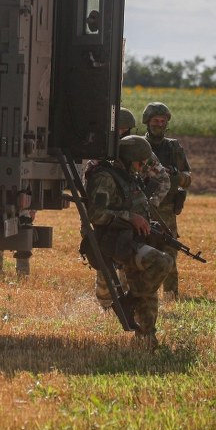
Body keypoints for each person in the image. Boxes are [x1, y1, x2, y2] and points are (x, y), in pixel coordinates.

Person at [85, 135, 173, 349]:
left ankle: (146, 338)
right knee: (162, 262)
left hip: (131, 240)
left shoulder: (127, 176)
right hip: (115, 242)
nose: (142, 167)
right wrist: (130, 217)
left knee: (148, 286)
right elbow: (96, 215)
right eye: (140, 162)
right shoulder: (105, 177)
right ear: (127, 158)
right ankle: (128, 301)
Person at [89, 107, 170, 308]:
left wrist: (145, 208)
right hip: (106, 215)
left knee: (130, 265)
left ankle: (129, 301)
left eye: (124, 129)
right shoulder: (97, 154)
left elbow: (163, 179)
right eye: (116, 129)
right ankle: (107, 304)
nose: (120, 133)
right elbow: (94, 204)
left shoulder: (137, 150)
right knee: (104, 265)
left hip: (129, 218)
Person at [142, 102, 192, 300]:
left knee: (170, 252)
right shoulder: (139, 146)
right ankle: (140, 293)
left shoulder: (173, 147)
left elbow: (188, 178)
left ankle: (171, 297)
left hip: (167, 210)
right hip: (143, 207)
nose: (159, 124)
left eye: (163, 121)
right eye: (155, 120)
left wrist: (176, 174)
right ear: (147, 122)